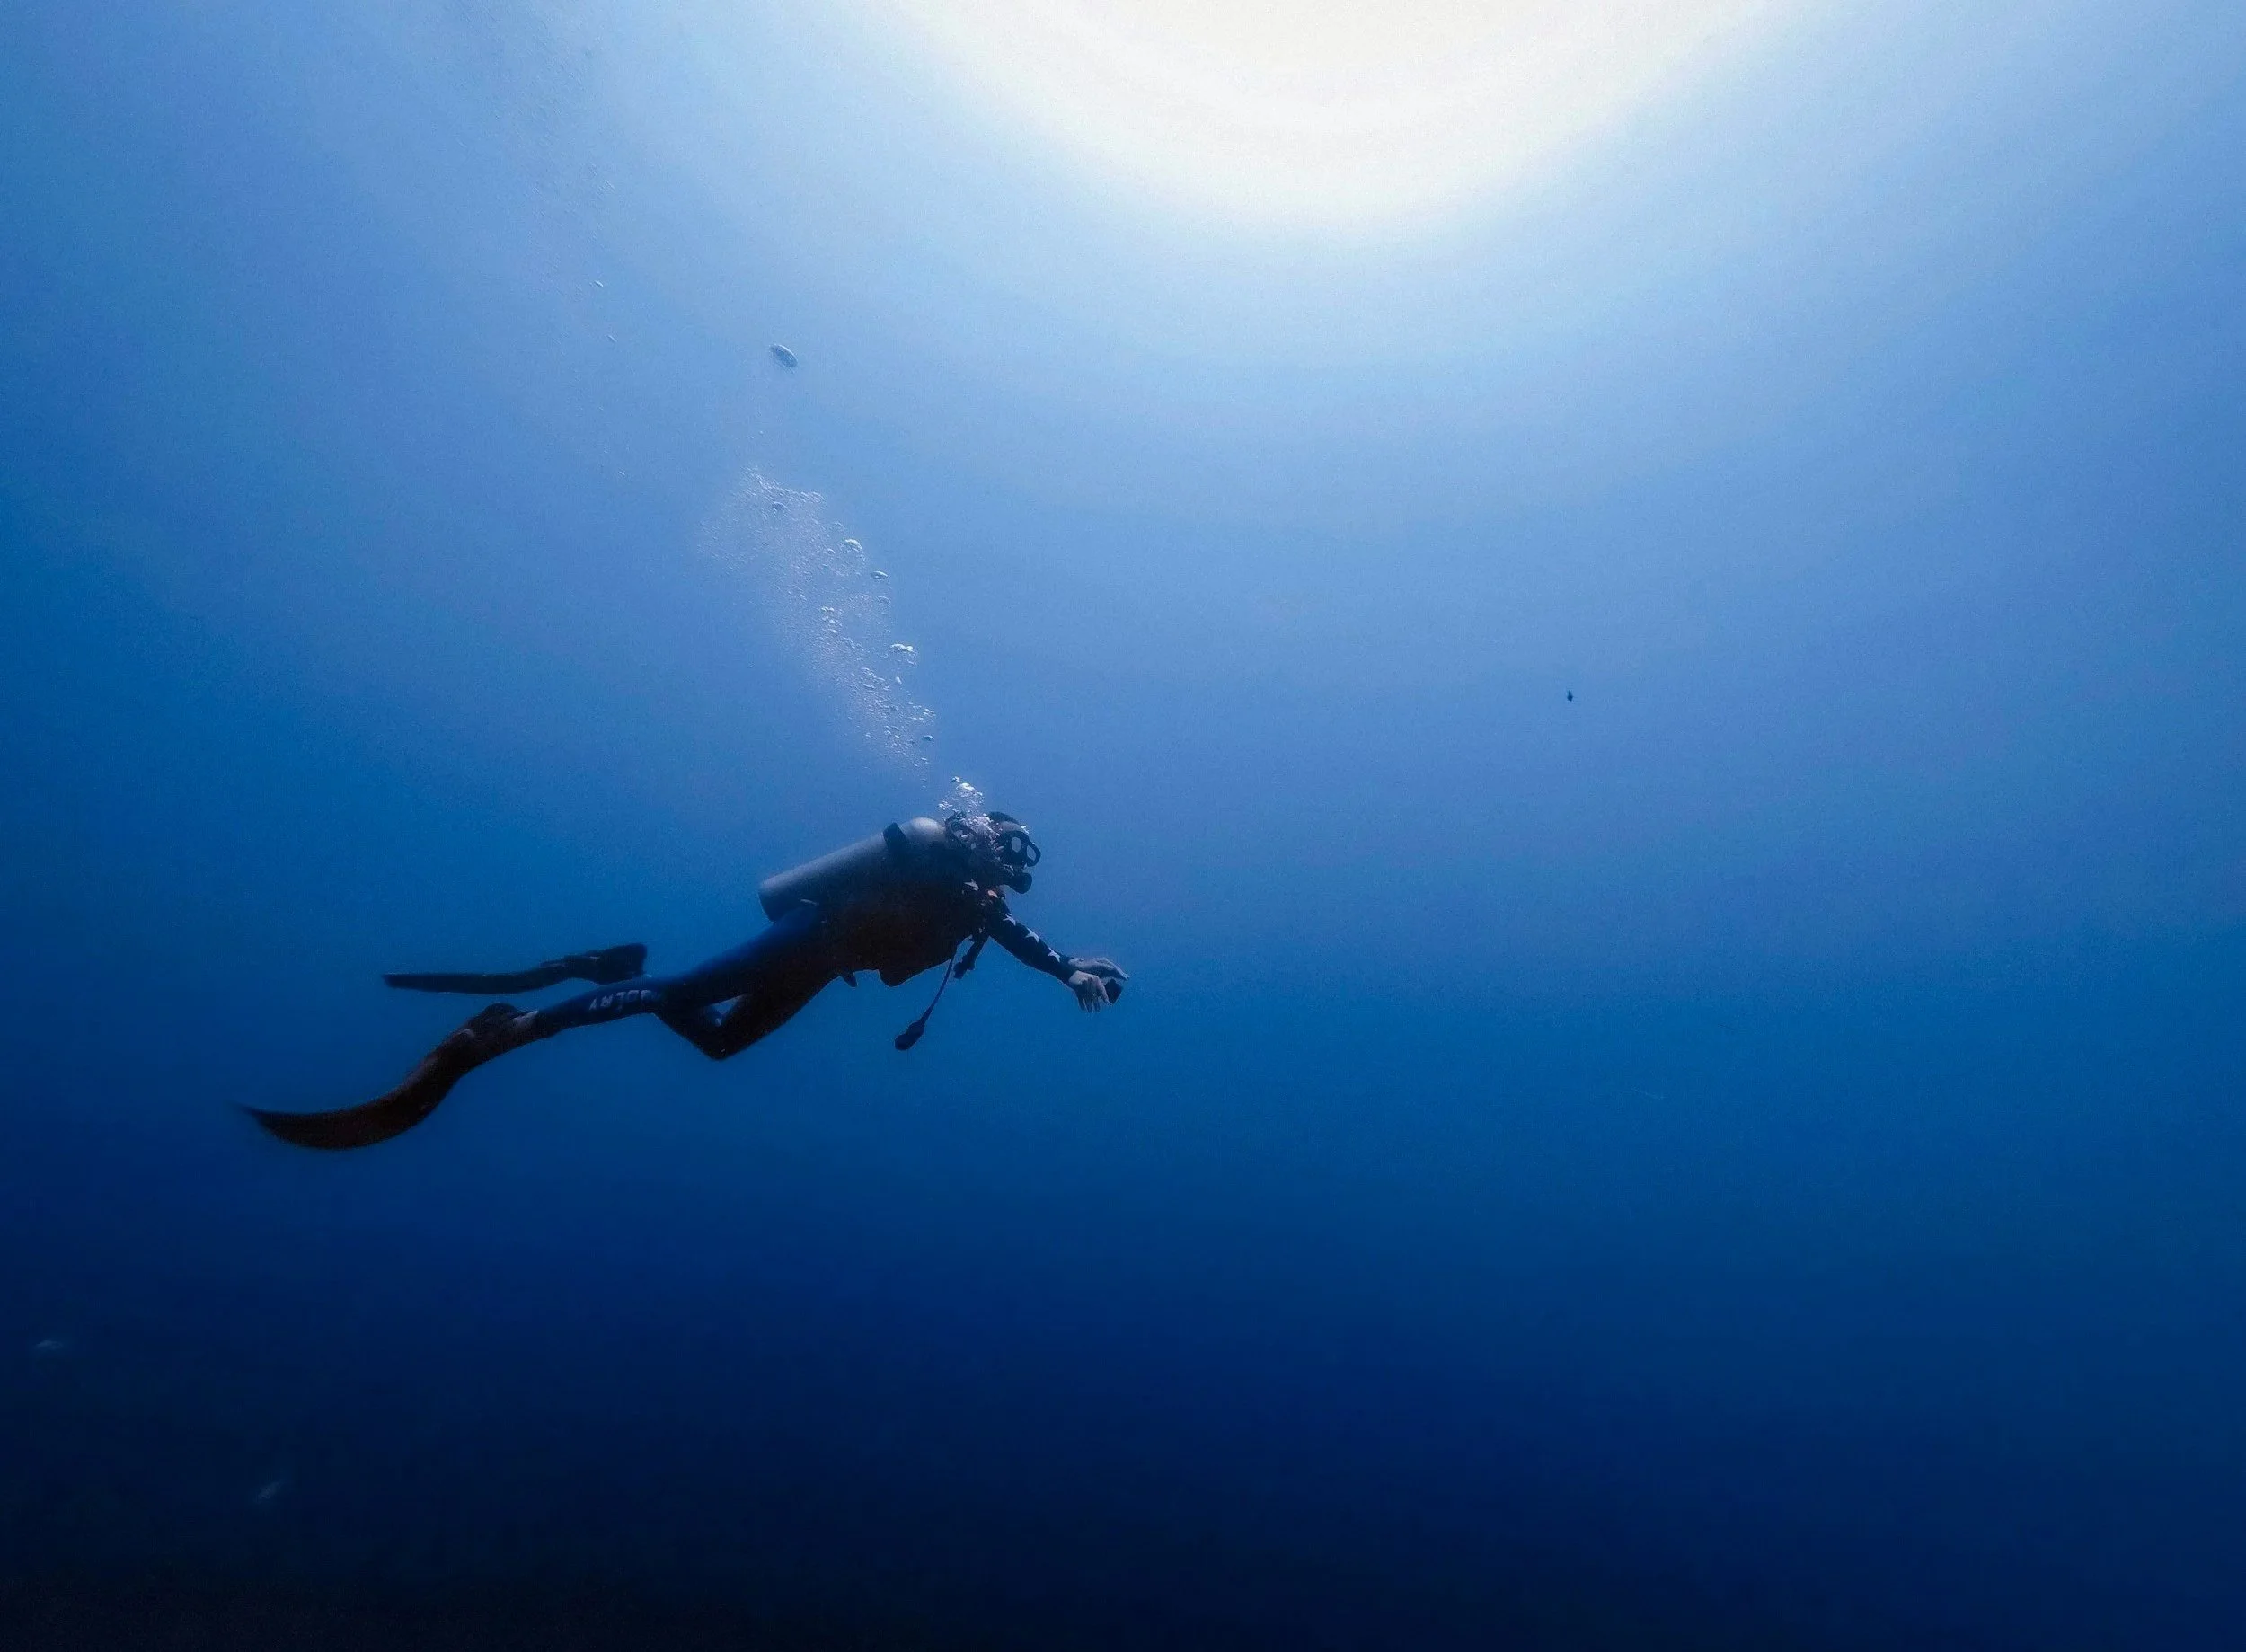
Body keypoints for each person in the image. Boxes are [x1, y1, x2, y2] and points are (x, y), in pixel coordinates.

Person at [248, 810, 1126, 1151]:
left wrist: (1067, 971)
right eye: (995, 862)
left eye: (1005, 874)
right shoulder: (936, 857)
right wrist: (945, 844)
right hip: (811, 934)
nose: (999, 883)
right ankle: (505, 1031)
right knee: (679, 997)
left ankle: (617, 968)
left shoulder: (979, 904)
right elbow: (917, 856)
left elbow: (1017, 938)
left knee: (713, 1044)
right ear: (980, 843)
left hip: (827, 970)